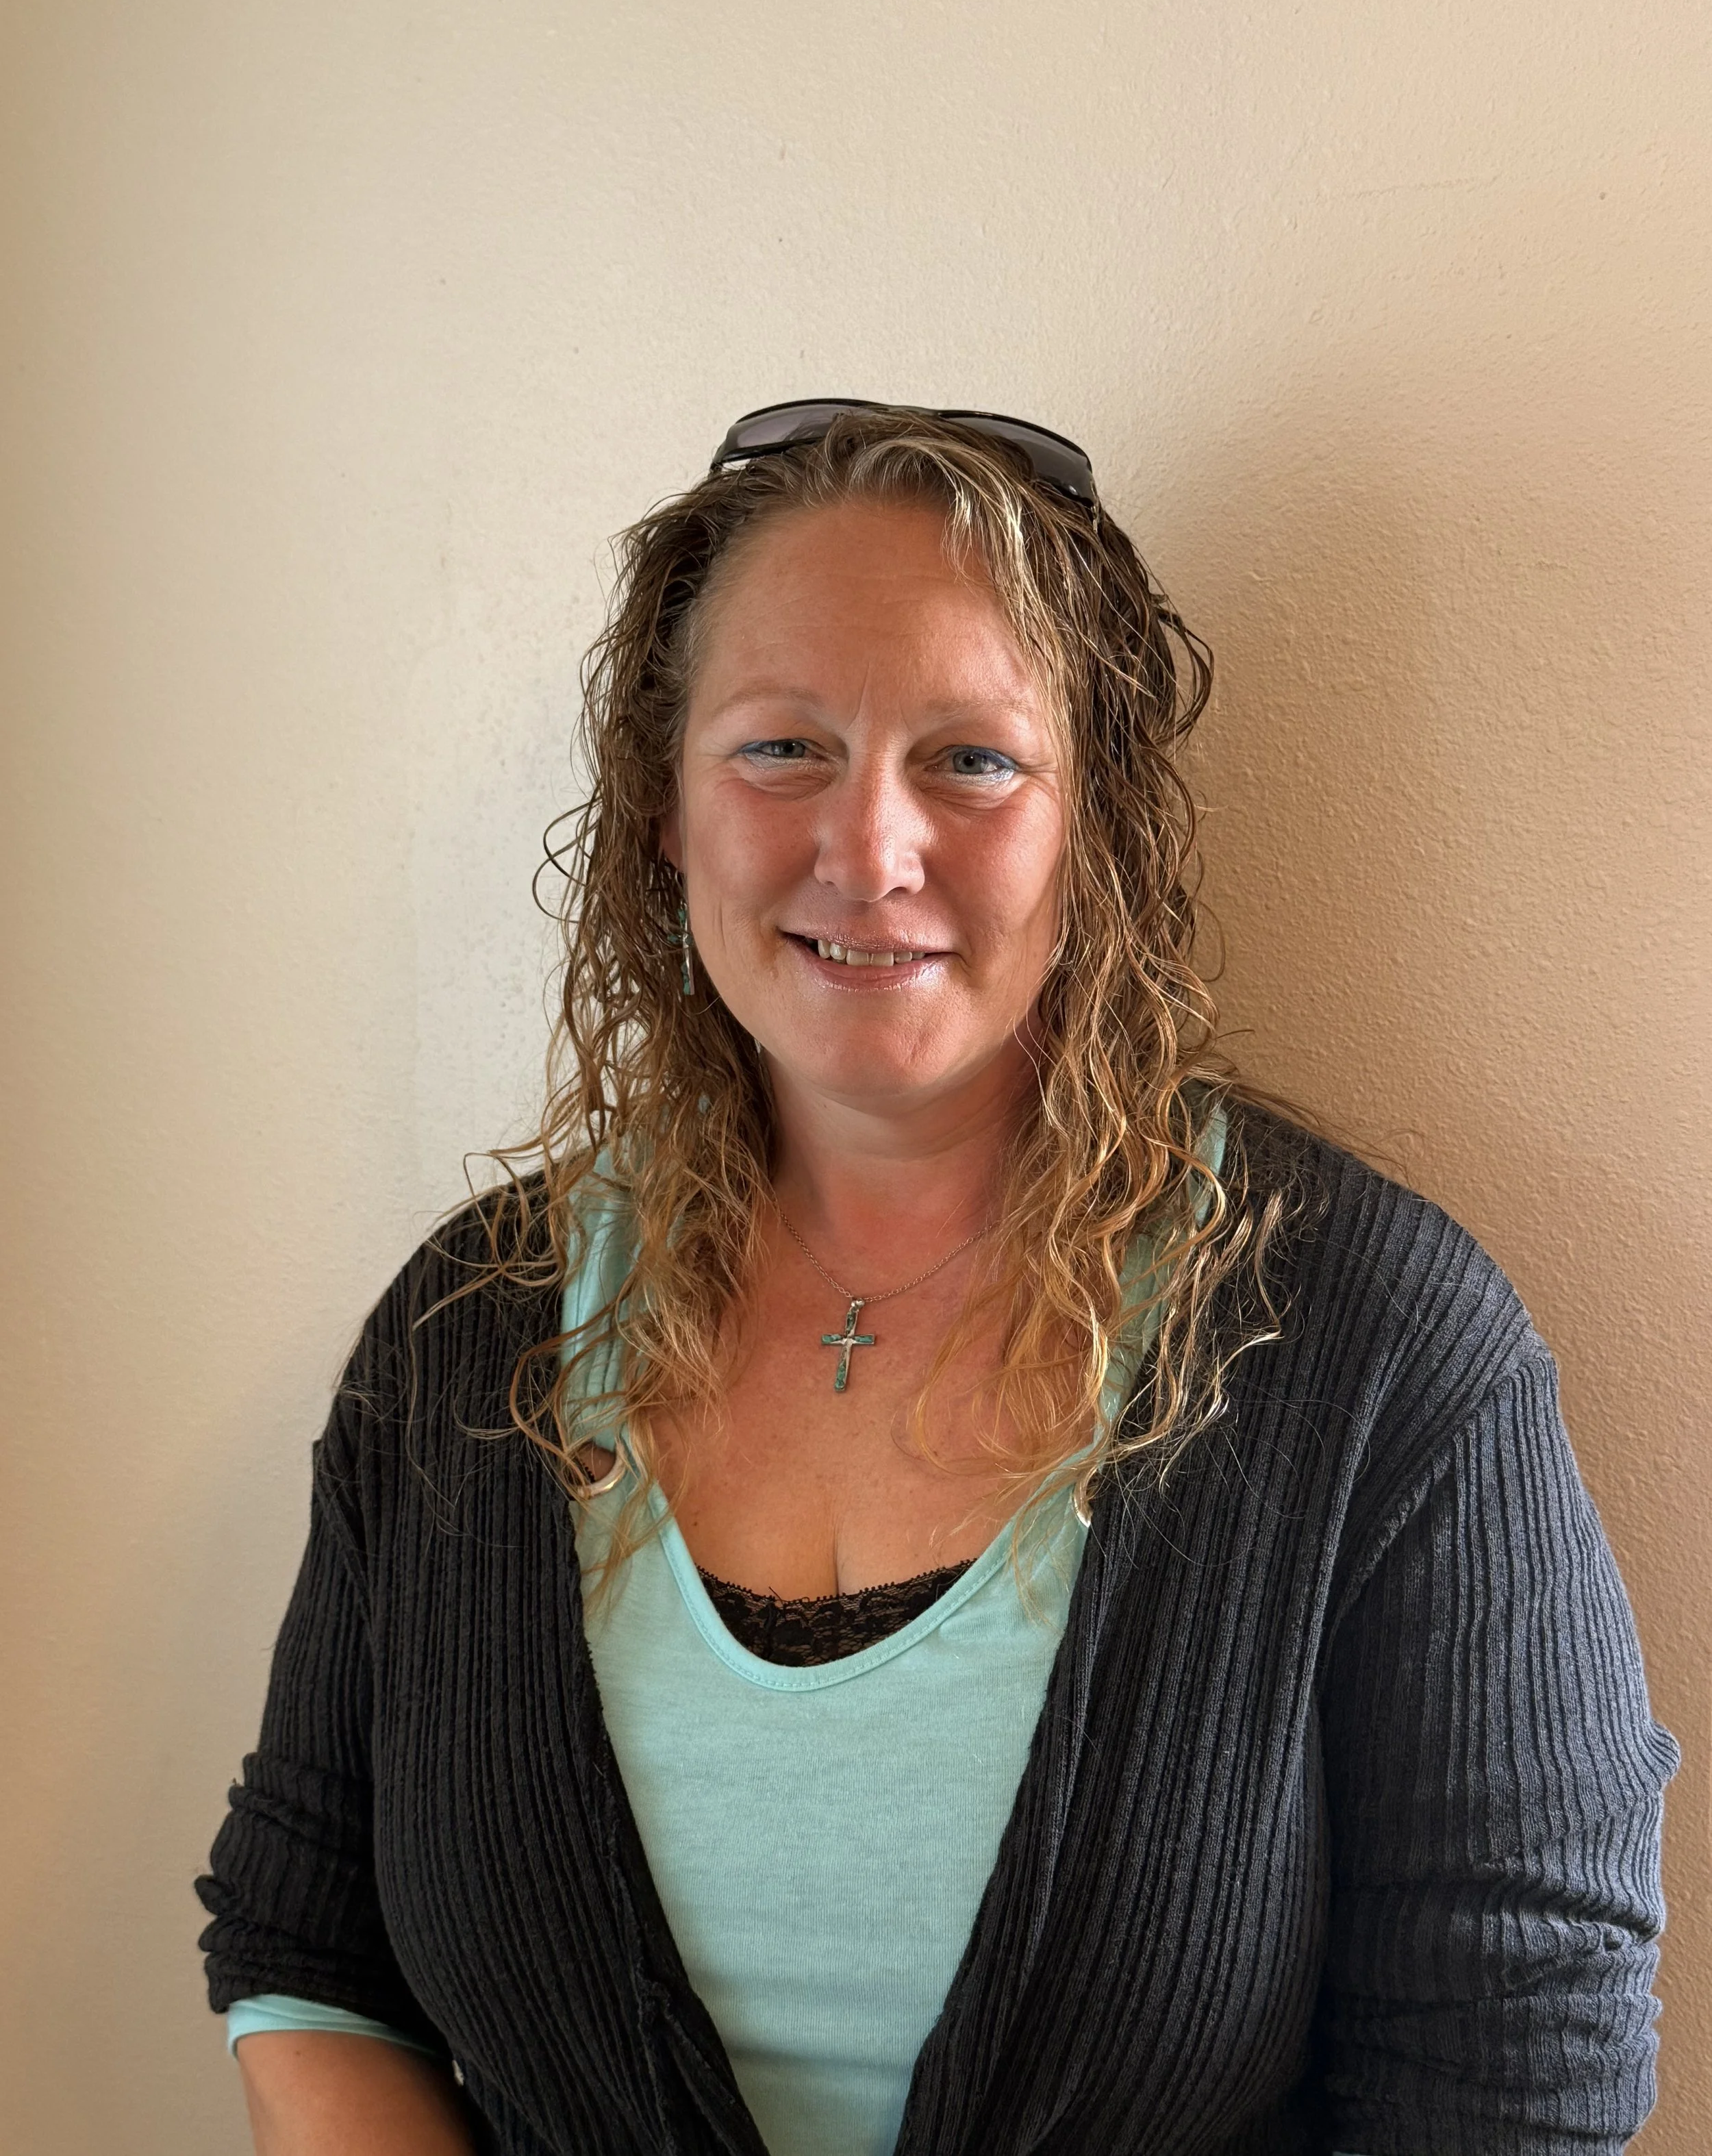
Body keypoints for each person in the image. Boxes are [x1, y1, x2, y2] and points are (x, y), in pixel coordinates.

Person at [197, 402, 1677, 2156]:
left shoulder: (1376, 1353)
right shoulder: (467, 1336)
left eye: (970, 760)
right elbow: (310, 1953)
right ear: (663, 808)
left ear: (1093, 823)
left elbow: (1515, 2068)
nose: (869, 850)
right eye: (779, 750)